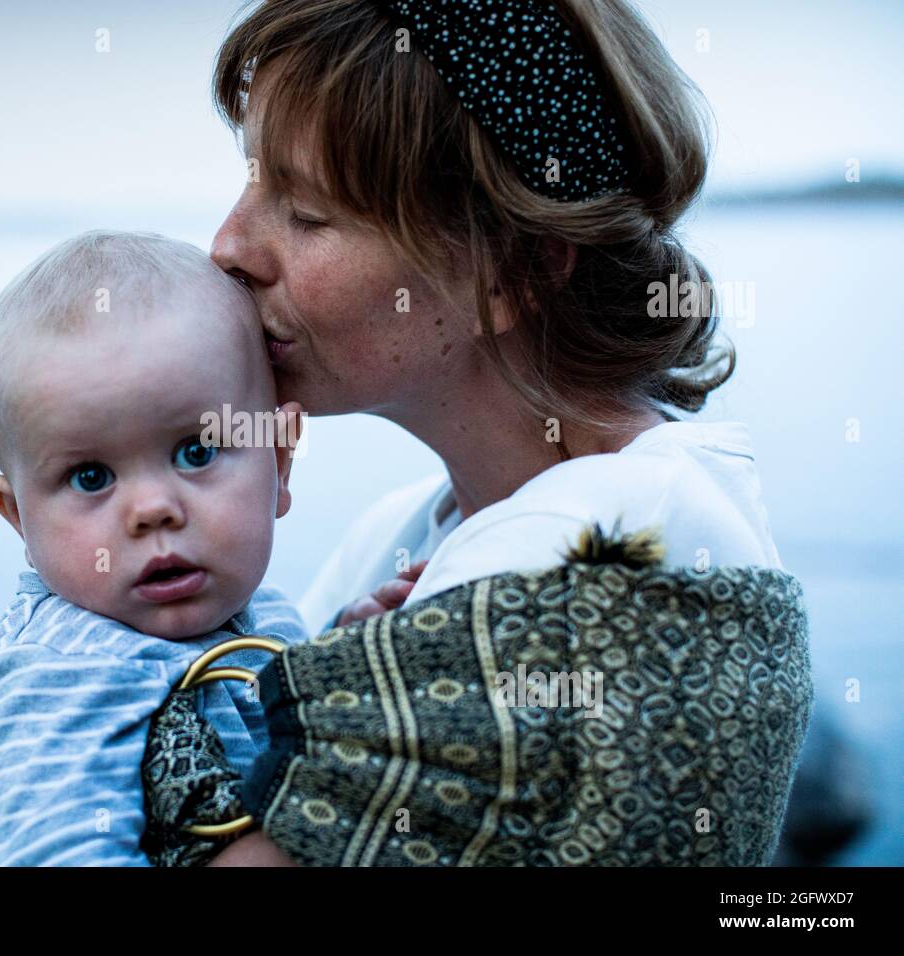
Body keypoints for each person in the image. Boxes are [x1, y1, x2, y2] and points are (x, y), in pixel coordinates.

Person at [203, 0, 803, 865]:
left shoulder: (588, 553)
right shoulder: (426, 524)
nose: (228, 245)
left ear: (512, 270)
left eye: (306, 212)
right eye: (252, 181)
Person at [0, 230, 308, 865]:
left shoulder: (269, 613)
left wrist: (368, 640)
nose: (153, 509)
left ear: (280, 463)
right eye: (90, 477)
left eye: (197, 452)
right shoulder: (66, 669)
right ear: (19, 517)